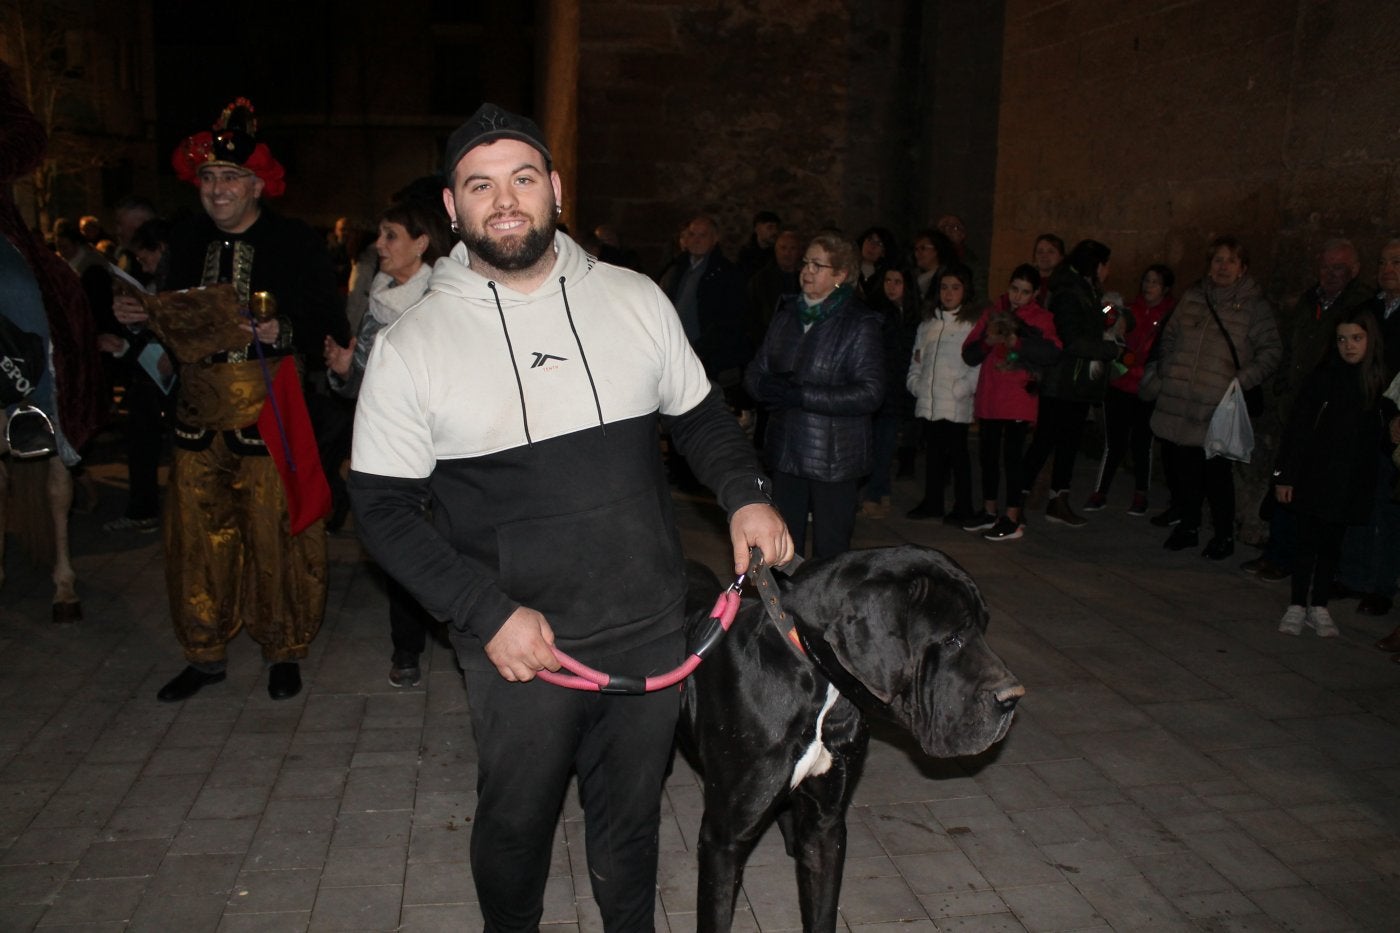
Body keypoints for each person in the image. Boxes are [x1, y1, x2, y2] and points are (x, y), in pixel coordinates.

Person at [347, 103, 790, 931]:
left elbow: (699, 418)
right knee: (517, 826)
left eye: (522, 178)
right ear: (453, 208)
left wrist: (748, 492)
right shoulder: (415, 343)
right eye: (480, 185)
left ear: (554, 187)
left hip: (649, 620)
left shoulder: (633, 297)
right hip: (521, 642)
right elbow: (382, 511)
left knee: (631, 825)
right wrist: (486, 615)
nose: (504, 199)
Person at [115, 97, 346, 703]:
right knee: (194, 534)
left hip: (267, 409)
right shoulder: (185, 239)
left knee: (276, 533)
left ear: (257, 186)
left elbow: (329, 319)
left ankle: (283, 648)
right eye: (209, 178)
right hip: (196, 413)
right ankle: (205, 651)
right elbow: (177, 324)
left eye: (231, 179)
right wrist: (142, 318)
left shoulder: (293, 242)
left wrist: (284, 331)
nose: (217, 190)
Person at [323, 199, 451, 687]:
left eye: (391, 235)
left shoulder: (444, 299)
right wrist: (342, 371)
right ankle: (407, 650)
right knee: (402, 548)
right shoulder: (378, 298)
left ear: (421, 243)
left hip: (441, 445)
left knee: (454, 541)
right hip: (390, 444)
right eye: (380, 234)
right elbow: (359, 382)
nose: (380, 244)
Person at [1143, 236, 1281, 559]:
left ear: (1243, 268)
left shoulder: (1253, 306)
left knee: (1216, 475)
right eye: (1217, 260)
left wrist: (1241, 380)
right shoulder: (1194, 297)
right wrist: (1169, 365)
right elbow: (1171, 333)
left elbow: (1272, 351)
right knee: (1183, 469)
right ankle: (1188, 525)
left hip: (1216, 405)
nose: (1222, 267)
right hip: (1180, 399)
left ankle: (1222, 534)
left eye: (1230, 261)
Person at [746, 231, 883, 558]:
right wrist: (765, 387)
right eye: (806, 263)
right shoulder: (787, 315)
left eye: (818, 265)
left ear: (840, 275)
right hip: (787, 450)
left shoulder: (859, 323)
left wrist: (804, 396)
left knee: (830, 553)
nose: (806, 270)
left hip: (833, 458)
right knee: (782, 548)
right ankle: (782, 609)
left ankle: (826, 610)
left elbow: (871, 392)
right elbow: (755, 370)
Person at [1274, 308, 1390, 637]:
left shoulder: (1377, 382)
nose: (1349, 346)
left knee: (1332, 544)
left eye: (1356, 338)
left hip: (1349, 479)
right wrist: (1286, 475)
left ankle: (1319, 604)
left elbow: (1376, 437)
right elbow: (1298, 428)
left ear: (1370, 341)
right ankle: (1297, 603)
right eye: (1342, 339)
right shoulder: (1323, 377)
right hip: (1314, 474)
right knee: (1306, 541)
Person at [1020, 238, 1125, 527]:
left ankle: (1059, 500)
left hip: (1077, 385)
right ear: (1095, 266)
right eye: (1105, 265)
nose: (1108, 270)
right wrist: (1111, 351)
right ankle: (1015, 502)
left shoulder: (1087, 290)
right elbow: (1072, 339)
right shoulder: (1068, 291)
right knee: (1044, 442)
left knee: (1068, 444)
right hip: (1062, 382)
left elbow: (1095, 316)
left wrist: (1109, 312)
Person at [961, 264, 1062, 540]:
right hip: (991, 397)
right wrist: (987, 342)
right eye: (1014, 289)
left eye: (1025, 292)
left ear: (1035, 293)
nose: (1018, 296)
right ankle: (990, 510)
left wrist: (1017, 342)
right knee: (988, 457)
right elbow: (969, 354)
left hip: (1017, 398)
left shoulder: (1041, 318)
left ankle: (1014, 517)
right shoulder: (992, 312)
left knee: (1013, 459)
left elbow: (1052, 353)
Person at [98, 217, 177, 533]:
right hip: (151, 379)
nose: (144, 267)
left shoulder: (178, 278)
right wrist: (120, 346)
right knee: (142, 444)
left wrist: (176, 354)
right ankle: (145, 510)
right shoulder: (159, 279)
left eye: (146, 258)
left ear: (160, 248)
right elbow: (148, 336)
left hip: (174, 384)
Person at [1085, 264, 1177, 515]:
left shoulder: (1171, 314)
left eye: (1155, 282)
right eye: (1146, 280)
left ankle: (1140, 494)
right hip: (1120, 383)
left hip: (1147, 387)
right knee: (1114, 442)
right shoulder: (1130, 309)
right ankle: (1100, 491)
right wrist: (1108, 307)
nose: (1149, 286)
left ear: (1166, 288)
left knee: (1142, 443)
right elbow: (1104, 315)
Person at [905, 263, 981, 523]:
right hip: (929, 399)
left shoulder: (970, 325)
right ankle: (932, 502)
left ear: (965, 291)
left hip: (955, 400)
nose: (949, 293)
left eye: (955, 288)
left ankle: (964, 507)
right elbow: (917, 360)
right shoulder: (928, 325)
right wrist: (916, 384)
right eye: (944, 288)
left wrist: (961, 389)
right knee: (934, 454)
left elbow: (976, 365)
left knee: (958, 456)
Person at [860, 265, 918, 518]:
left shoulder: (912, 315)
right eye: (888, 280)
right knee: (878, 444)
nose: (892, 286)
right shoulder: (878, 313)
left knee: (885, 444)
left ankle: (877, 495)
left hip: (898, 388)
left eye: (898, 281)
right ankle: (876, 495)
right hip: (880, 387)